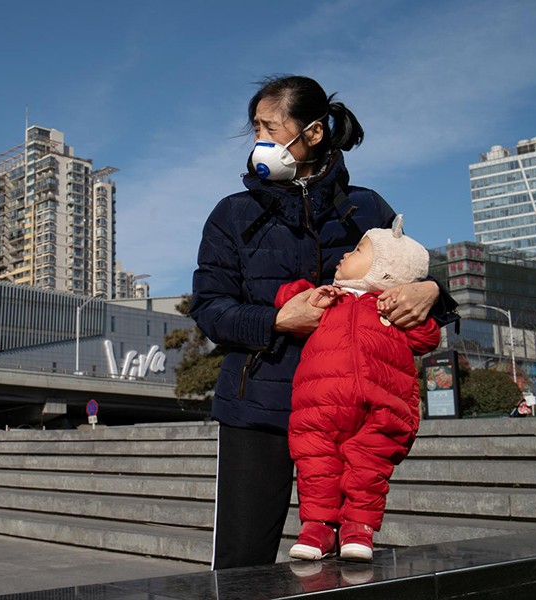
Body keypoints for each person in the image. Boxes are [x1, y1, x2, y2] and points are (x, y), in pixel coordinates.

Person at [189, 74, 458, 570]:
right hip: (258, 407)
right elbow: (209, 308)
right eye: (255, 130)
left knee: (345, 560)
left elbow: (410, 273)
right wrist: (276, 319)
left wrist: (431, 290)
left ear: (312, 133)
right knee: (241, 563)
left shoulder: (368, 207)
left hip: (353, 412)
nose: (259, 141)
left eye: (270, 127)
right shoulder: (231, 214)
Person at [275, 215, 440, 562]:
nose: (344, 255)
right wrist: (310, 295)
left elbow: (427, 338)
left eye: (357, 250)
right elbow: (287, 298)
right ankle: (317, 526)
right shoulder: (329, 297)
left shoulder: (392, 306)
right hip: (319, 404)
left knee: (369, 469)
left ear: (385, 269)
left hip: (385, 406)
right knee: (316, 464)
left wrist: (420, 306)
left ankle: (358, 527)